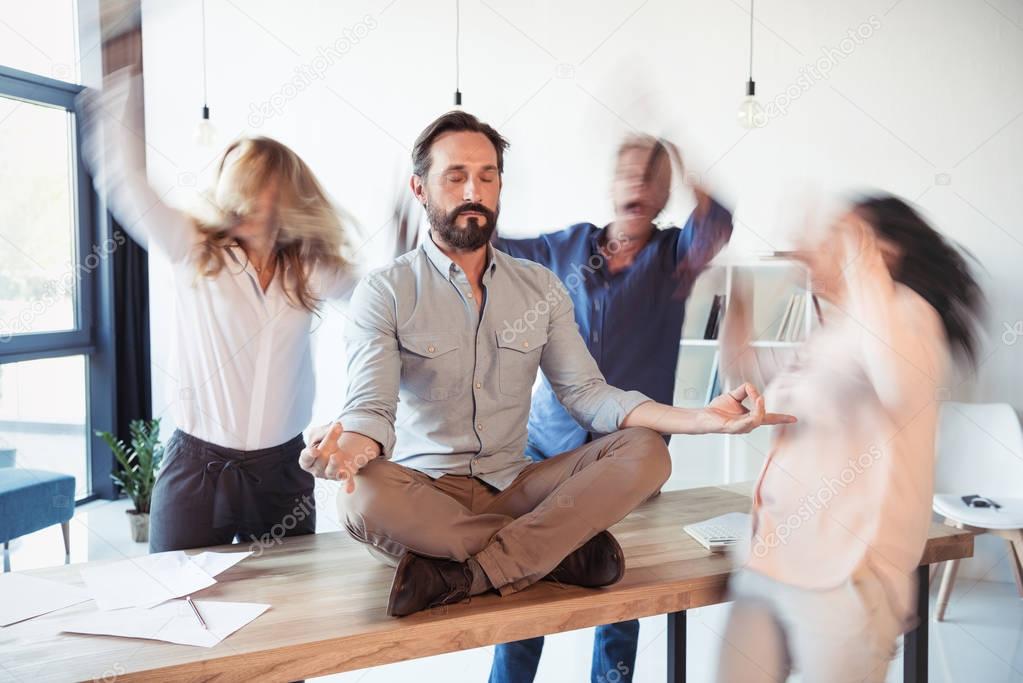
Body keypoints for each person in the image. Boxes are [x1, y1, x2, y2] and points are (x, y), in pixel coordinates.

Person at [298, 111, 793, 618]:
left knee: (648, 452)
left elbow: (589, 395)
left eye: (487, 176)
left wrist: (700, 421)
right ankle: (558, 550)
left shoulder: (541, 285)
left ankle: (467, 571)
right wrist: (346, 449)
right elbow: (370, 410)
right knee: (359, 499)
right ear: (420, 188)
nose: (474, 189)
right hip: (427, 491)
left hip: (517, 484)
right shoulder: (385, 291)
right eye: (455, 175)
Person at [80, 68, 363, 553]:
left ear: (284, 196)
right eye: (248, 189)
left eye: (267, 191)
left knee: (287, 607)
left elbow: (376, 297)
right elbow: (128, 183)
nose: (256, 203)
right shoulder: (195, 249)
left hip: (281, 471)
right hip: (198, 469)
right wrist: (122, 79)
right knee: (176, 598)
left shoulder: (307, 268)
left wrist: (409, 240)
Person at [488, 134, 733, 683]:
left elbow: (717, 221)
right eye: (629, 173)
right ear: (611, 184)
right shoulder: (566, 248)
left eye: (652, 178)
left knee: (621, 593)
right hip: (546, 452)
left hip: (628, 465)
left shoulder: (675, 257)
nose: (639, 185)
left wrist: (682, 155)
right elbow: (494, 248)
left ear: (666, 193)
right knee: (524, 583)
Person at [715, 196, 984, 682]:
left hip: (845, 577)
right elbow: (750, 378)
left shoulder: (907, 315)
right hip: (771, 561)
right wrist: (737, 297)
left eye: (838, 237)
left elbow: (899, 385)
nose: (818, 248)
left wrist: (859, 258)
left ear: (882, 252)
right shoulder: (833, 331)